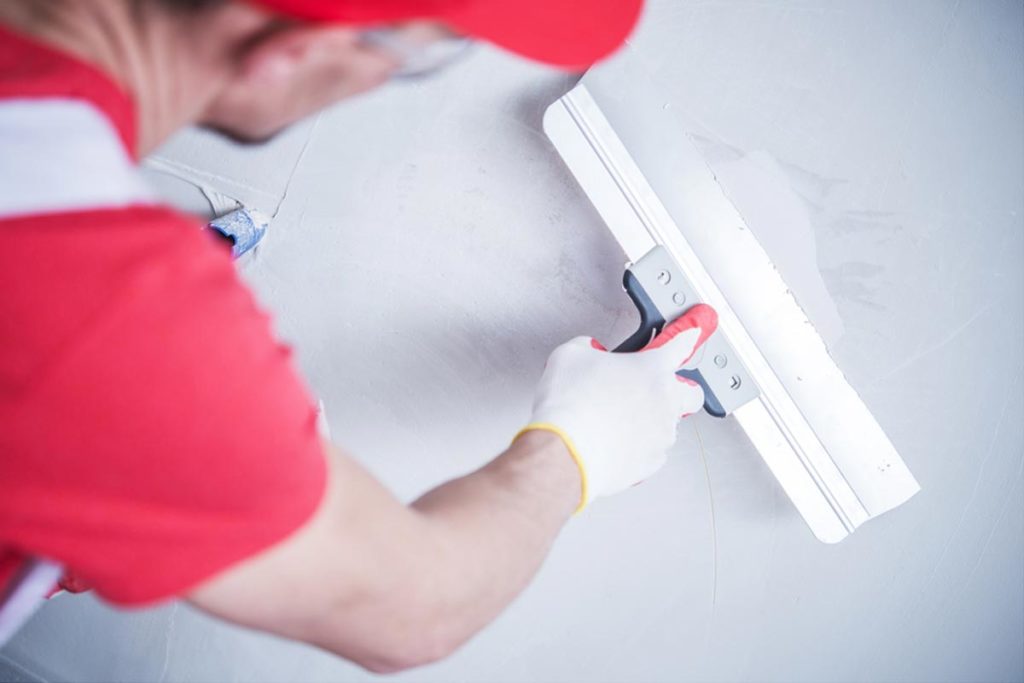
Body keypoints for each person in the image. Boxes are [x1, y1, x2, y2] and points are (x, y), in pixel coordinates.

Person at [0, 0, 717, 672]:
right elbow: (413, 605)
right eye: (424, 52)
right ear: (290, 49)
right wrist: (579, 450)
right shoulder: (100, 309)